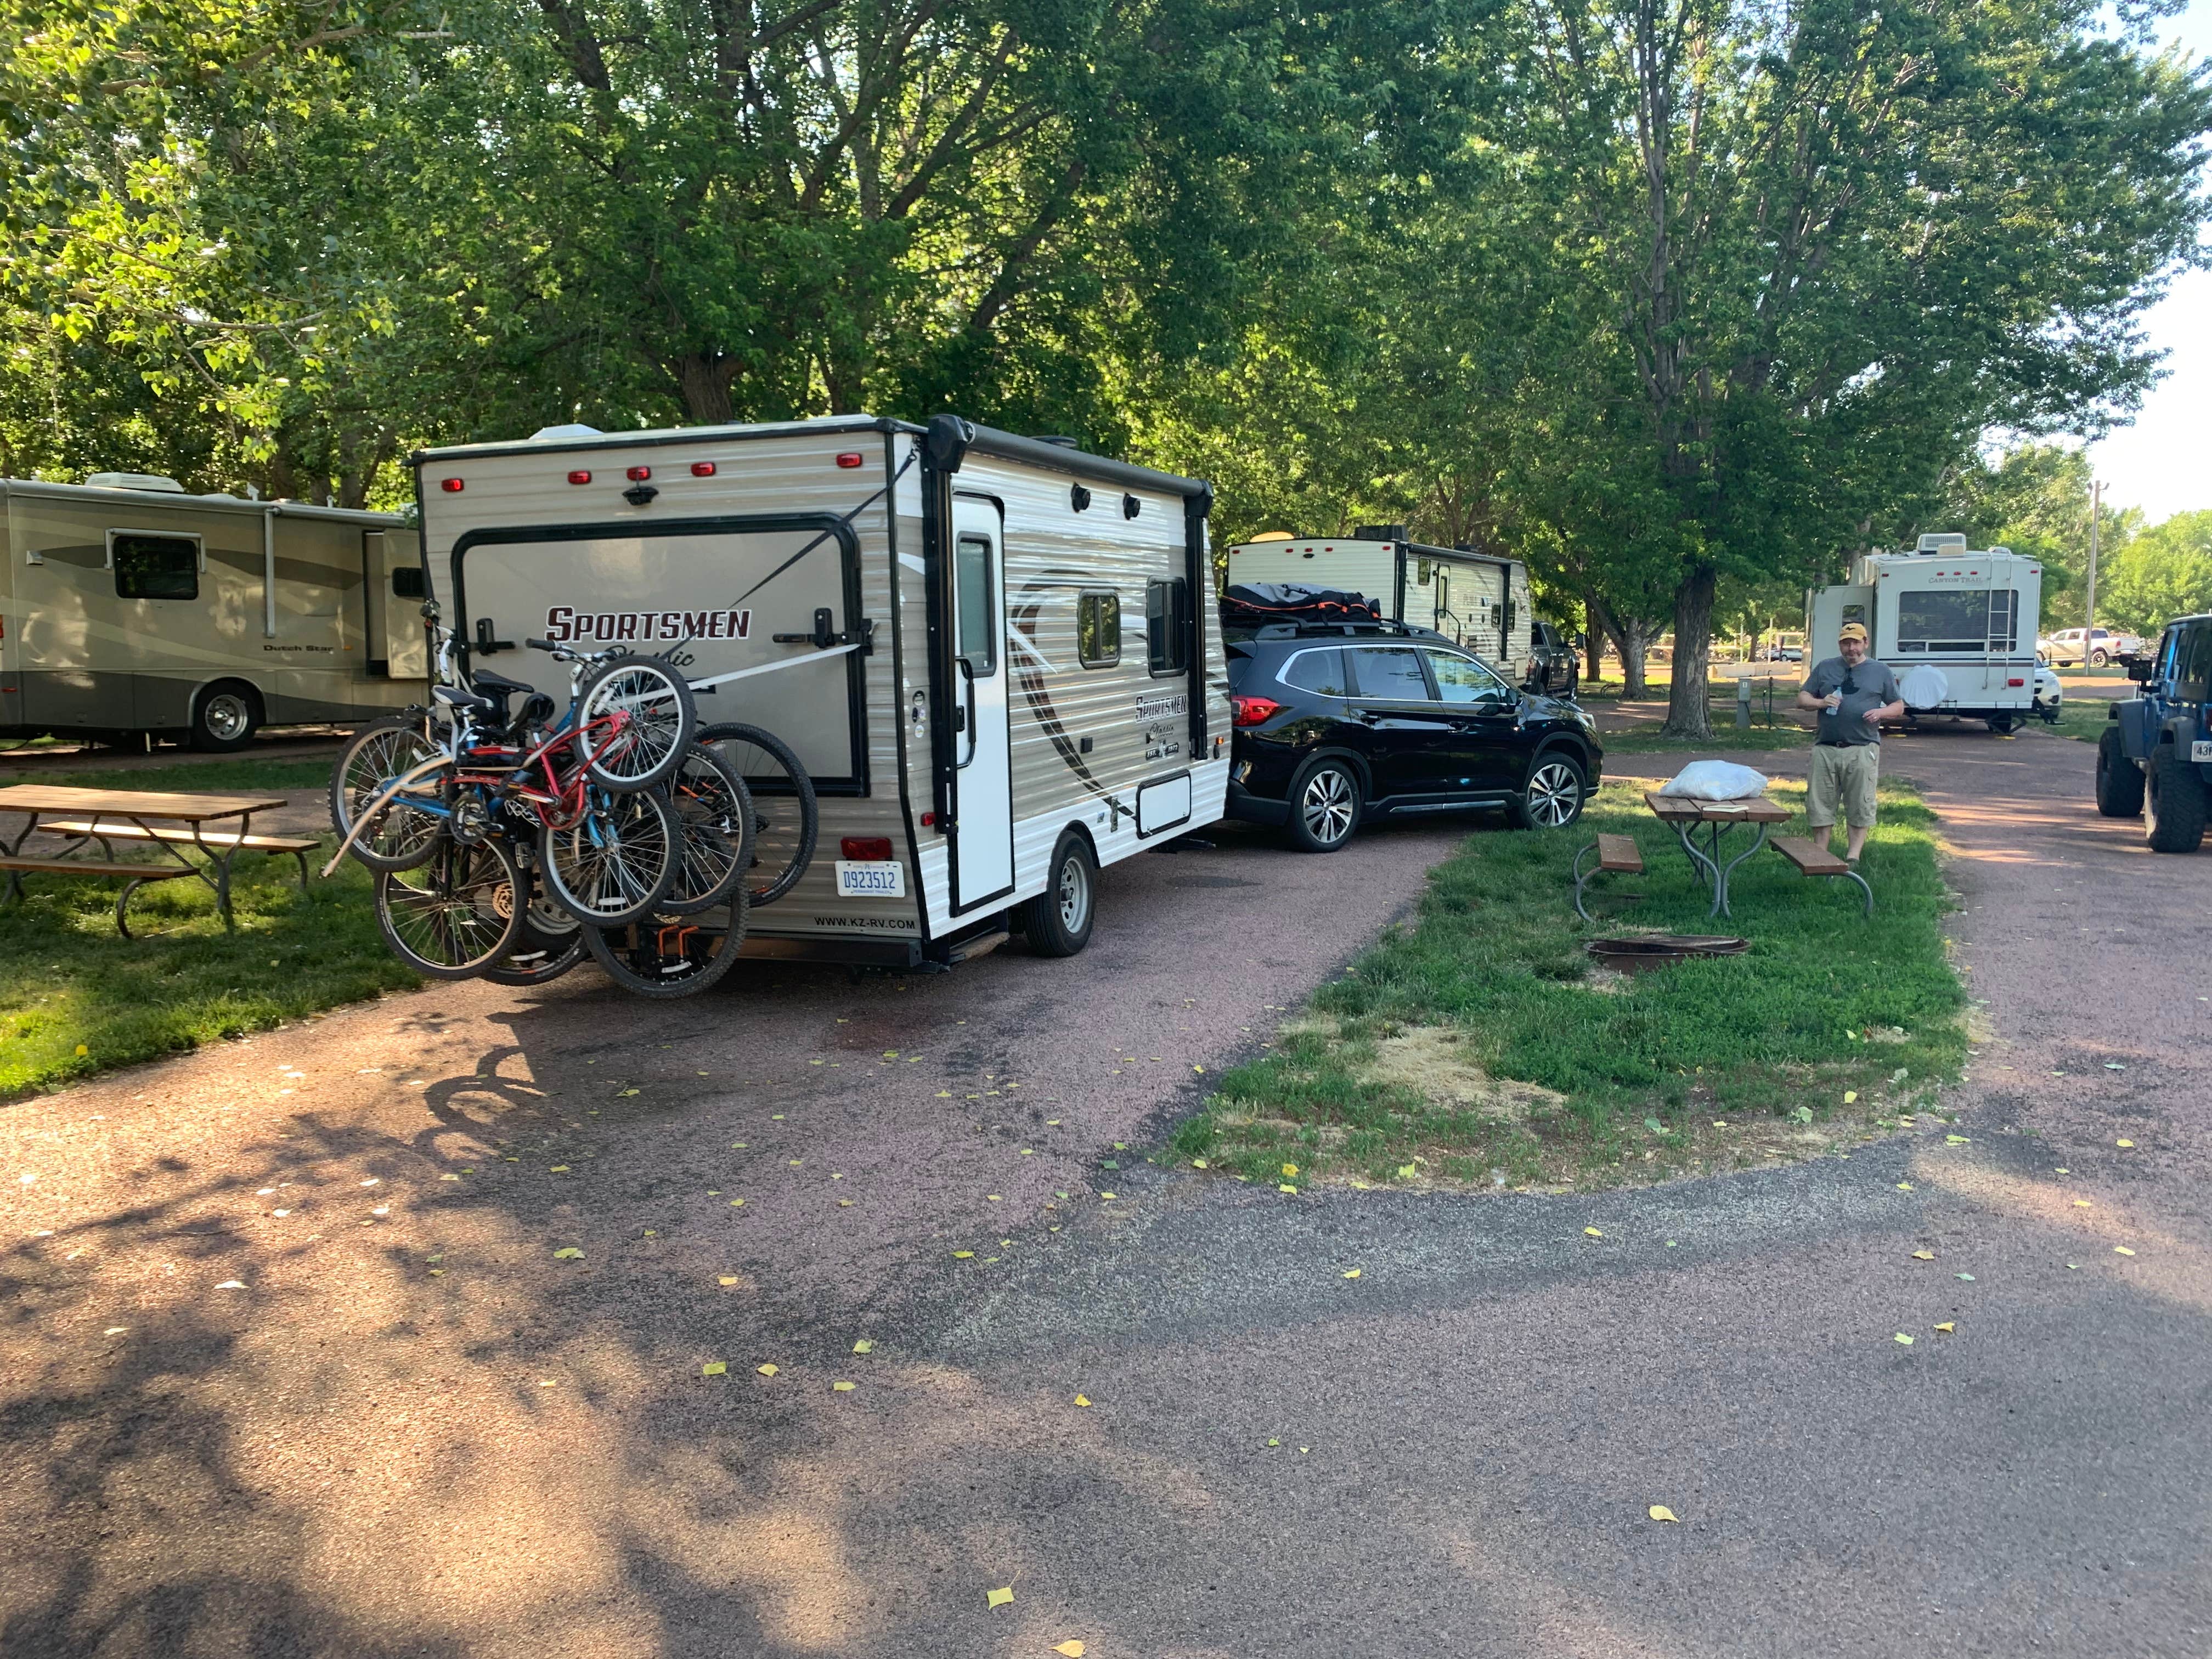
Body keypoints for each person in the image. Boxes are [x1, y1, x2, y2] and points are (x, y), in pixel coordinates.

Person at [1794, 623, 1905, 866]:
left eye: (1856, 642)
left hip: (1862, 748)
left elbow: (1898, 706)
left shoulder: (1880, 671)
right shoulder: (1825, 668)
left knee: (1860, 803)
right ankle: (1820, 856)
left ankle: (1853, 856)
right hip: (1825, 747)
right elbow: (1802, 698)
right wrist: (1821, 702)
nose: (1851, 648)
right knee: (1820, 804)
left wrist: (1880, 713)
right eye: (1846, 643)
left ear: (1866, 643)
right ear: (1840, 645)